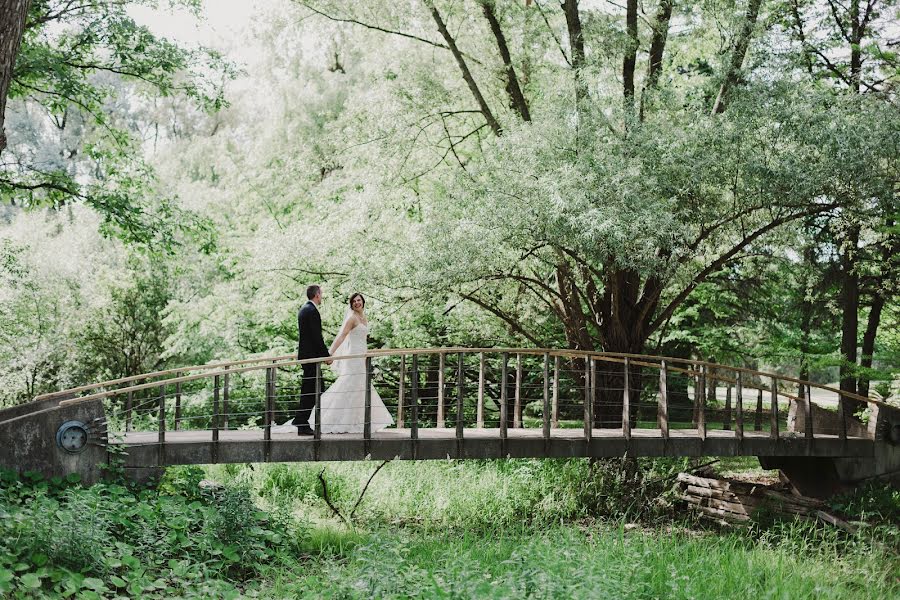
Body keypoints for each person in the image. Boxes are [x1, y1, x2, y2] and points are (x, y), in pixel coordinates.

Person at [314, 292, 393, 434]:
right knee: (349, 384)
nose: (357, 303)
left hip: (362, 356)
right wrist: (330, 353)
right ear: (351, 304)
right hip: (353, 357)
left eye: (359, 300)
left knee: (360, 388)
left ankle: (358, 421)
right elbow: (342, 336)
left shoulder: (363, 318)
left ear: (363, 302)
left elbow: (362, 340)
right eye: (354, 301)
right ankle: (328, 416)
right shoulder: (352, 319)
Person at [294, 284, 331, 435]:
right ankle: (301, 421)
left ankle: (301, 420)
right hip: (311, 358)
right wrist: (326, 356)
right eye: (321, 294)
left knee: (313, 389)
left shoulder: (304, 309)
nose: (321, 296)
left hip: (307, 356)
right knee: (312, 390)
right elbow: (317, 337)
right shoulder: (312, 311)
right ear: (317, 295)